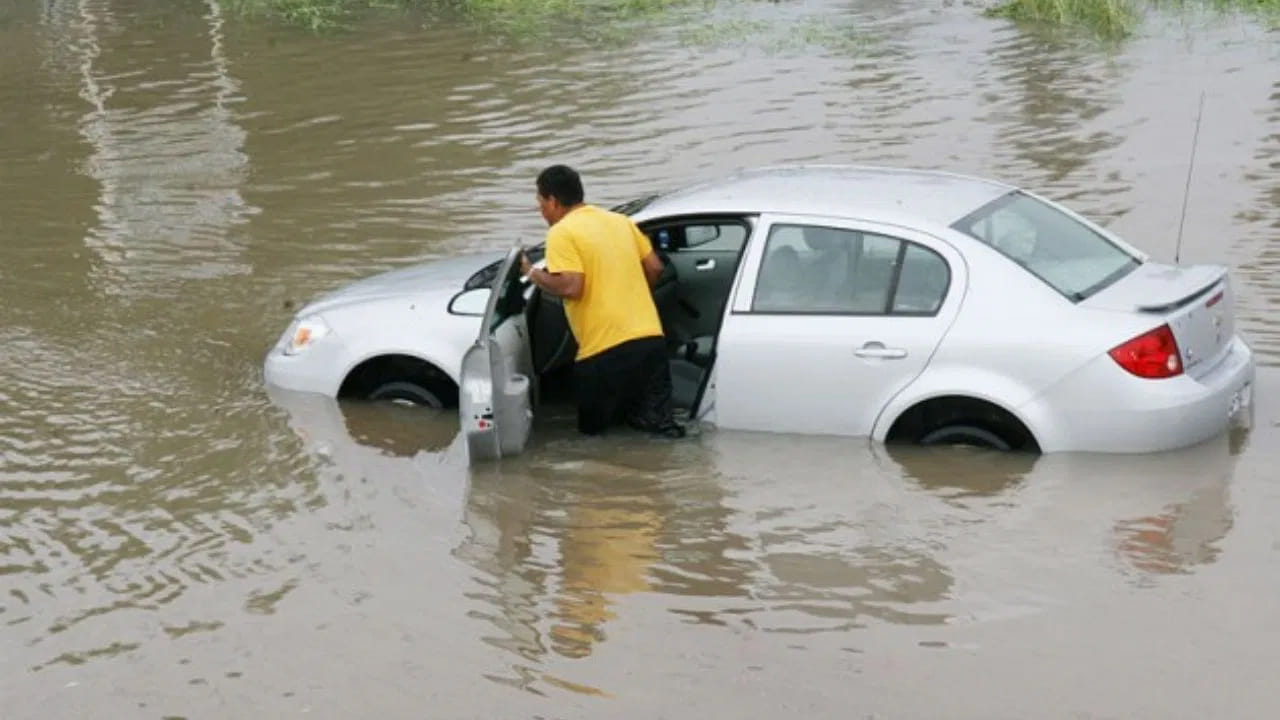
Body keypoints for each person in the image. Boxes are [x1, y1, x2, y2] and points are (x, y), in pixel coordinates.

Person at [519, 164, 685, 438]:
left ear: (553, 200)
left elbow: (572, 286)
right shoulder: (621, 222)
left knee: (597, 440)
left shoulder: (562, 232)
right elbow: (655, 268)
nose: (541, 211)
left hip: (604, 351)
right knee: (659, 430)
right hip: (650, 341)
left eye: (540, 202)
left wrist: (531, 273)